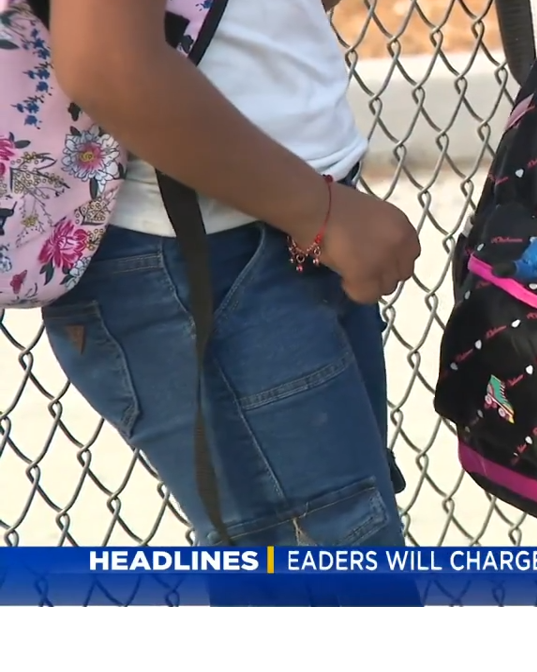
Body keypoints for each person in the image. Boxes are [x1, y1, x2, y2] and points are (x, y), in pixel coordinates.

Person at [39, 0, 420, 550]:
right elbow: (108, 61)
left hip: (278, 220)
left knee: (343, 549)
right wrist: (322, 214)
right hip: (196, 249)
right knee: (325, 562)